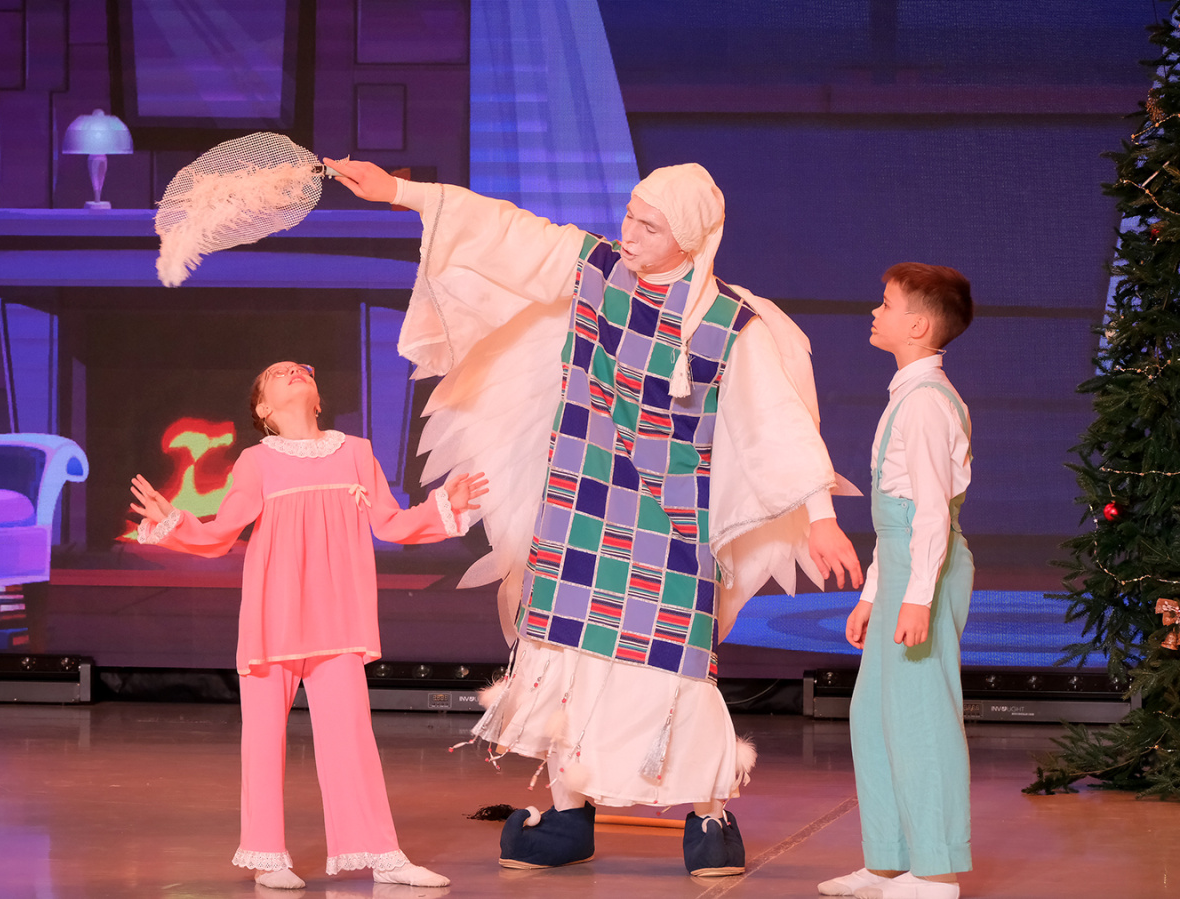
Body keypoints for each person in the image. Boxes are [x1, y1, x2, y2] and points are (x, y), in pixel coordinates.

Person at [323, 158, 863, 877]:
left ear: (690, 238)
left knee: (674, 666)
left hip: (670, 525)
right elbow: (506, 233)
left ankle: (708, 817)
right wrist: (400, 191)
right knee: (565, 658)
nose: (629, 232)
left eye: (649, 225)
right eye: (630, 214)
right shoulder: (598, 269)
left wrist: (819, 514)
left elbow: (778, 423)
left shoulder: (731, 324)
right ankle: (568, 815)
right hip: (580, 504)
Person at [129, 360, 488, 890]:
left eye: (302, 370)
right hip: (272, 618)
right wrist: (173, 522)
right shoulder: (255, 461)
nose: (294, 372)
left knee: (352, 740)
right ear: (263, 408)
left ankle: (382, 854)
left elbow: (390, 523)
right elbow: (222, 532)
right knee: (263, 740)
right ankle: (266, 857)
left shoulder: (357, 452)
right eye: (279, 373)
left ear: (318, 398)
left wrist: (441, 508)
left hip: (337, 620)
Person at [818, 264, 975, 899]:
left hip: (925, 572)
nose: (874, 313)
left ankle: (935, 872)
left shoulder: (928, 404)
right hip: (904, 568)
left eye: (885, 304)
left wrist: (916, 597)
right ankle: (889, 858)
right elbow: (896, 521)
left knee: (920, 717)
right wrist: (872, 594)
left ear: (918, 325)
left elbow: (931, 513)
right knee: (875, 716)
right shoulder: (906, 397)